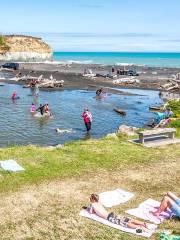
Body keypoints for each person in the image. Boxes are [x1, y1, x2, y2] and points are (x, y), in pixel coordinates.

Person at [84, 194, 153, 233]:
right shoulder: (99, 202)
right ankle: (145, 224)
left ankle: (141, 227)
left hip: (109, 217)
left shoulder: (92, 205)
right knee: (128, 219)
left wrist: (89, 205)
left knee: (125, 223)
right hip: (112, 214)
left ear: (91, 199)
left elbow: (91, 212)